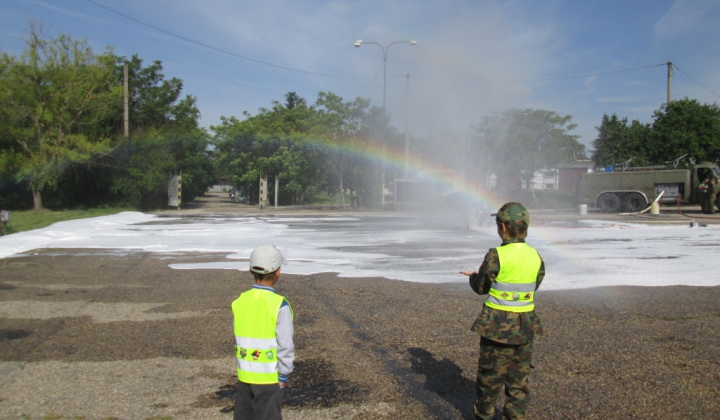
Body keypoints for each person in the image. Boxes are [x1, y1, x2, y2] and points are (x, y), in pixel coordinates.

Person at [460, 202, 545, 420]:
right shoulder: (535, 256)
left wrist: (473, 276)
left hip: (497, 328)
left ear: (504, 227)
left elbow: (481, 287)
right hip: (526, 327)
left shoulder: (496, 255)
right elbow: (533, 284)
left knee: (489, 381)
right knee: (519, 383)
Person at [232, 245, 294, 420]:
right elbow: (286, 345)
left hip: (244, 376)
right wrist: (283, 375)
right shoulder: (279, 305)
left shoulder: (240, 301)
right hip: (268, 379)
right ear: (278, 272)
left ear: (251, 270)